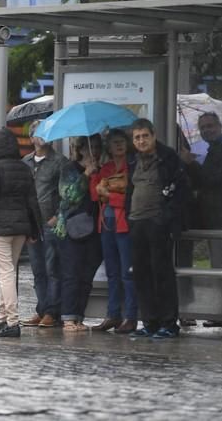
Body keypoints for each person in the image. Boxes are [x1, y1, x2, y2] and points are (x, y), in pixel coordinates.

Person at [0, 128, 42, 338]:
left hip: (0, 230)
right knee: (9, 272)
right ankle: (2, 319)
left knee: (5, 274)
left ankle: (12, 322)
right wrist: (34, 229)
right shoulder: (24, 167)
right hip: (21, 229)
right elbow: (32, 201)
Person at [128, 118, 189, 339]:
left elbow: (181, 190)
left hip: (158, 223)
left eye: (145, 136)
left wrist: (166, 218)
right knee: (142, 274)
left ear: (153, 135)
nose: (141, 140)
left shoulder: (168, 157)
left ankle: (168, 324)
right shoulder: (133, 160)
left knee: (162, 273)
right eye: (137, 137)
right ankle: (150, 322)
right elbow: (130, 190)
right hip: (137, 223)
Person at [181, 112, 222, 327]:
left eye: (210, 126)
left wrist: (190, 164)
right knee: (219, 264)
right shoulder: (215, 149)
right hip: (216, 217)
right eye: (203, 127)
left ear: (220, 126)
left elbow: (210, 179)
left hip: (221, 217)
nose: (207, 130)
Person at [20, 120, 68, 328]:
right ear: (31, 139)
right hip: (31, 223)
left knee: (52, 268)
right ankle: (41, 308)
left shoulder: (60, 162)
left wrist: (57, 215)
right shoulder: (25, 162)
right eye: (37, 133)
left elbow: (66, 193)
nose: (41, 136)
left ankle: (52, 312)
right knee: (37, 269)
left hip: (50, 223)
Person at [89, 129, 137, 334]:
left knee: (127, 272)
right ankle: (113, 314)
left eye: (121, 142)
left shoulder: (133, 166)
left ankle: (132, 316)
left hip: (124, 224)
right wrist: (95, 180)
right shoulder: (106, 167)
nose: (118, 145)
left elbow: (131, 196)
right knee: (112, 272)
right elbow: (94, 195)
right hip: (106, 224)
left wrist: (108, 195)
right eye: (114, 142)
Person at [55, 135, 103, 332]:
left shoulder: (101, 169)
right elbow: (69, 196)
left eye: (99, 147)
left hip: (95, 229)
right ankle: (68, 317)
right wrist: (85, 175)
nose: (96, 151)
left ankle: (79, 316)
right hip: (72, 229)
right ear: (82, 149)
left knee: (86, 275)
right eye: (92, 147)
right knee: (71, 274)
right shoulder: (69, 168)